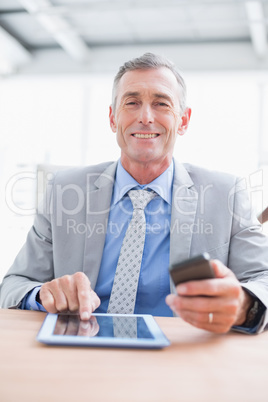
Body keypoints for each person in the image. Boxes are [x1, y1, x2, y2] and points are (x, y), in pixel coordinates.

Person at [1, 53, 268, 335]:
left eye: (161, 103)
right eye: (131, 103)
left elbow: (264, 278)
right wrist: (42, 294)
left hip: (181, 353)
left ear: (183, 121)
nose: (145, 117)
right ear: (112, 118)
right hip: (80, 349)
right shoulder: (64, 191)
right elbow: (14, 285)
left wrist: (242, 304)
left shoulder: (227, 194)